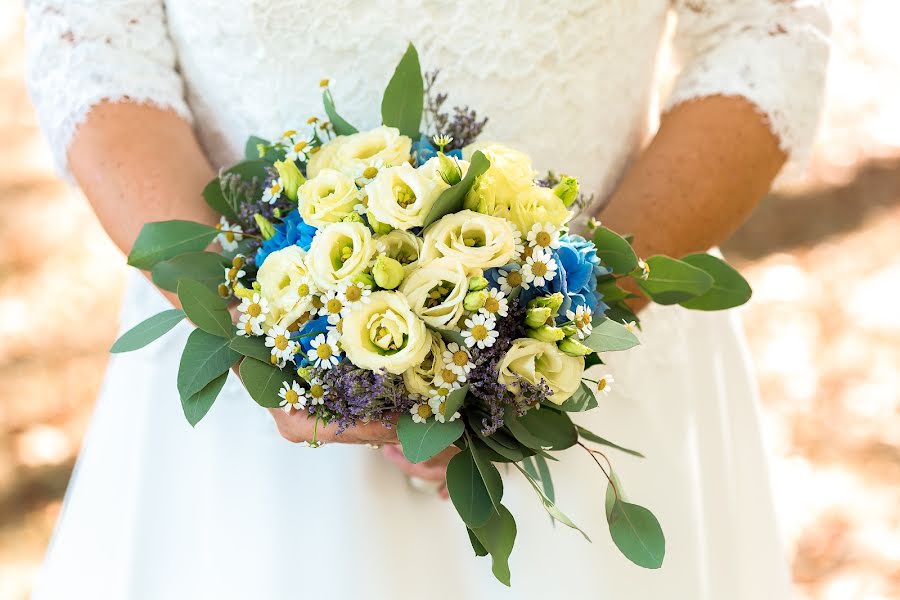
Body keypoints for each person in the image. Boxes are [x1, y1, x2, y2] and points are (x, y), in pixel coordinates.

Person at [24, 1, 830, 598]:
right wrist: (257, 324)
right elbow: (94, 47)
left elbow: (764, 35)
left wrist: (561, 323)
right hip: (245, 412)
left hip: (591, 375)